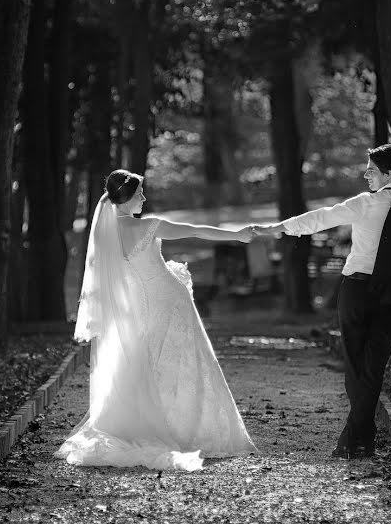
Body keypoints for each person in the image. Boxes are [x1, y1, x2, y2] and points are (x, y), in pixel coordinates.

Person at [56, 169, 258, 472]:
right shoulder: (149, 226)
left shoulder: (104, 235)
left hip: (141, 309)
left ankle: (160, 425)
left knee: (150, 366)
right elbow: (196, 230)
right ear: (126, 198)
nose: (144, 198)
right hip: (170, 304)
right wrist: (237, 235)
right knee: (181, 366)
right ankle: (189, 429)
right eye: (140, 194)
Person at [252, 144, 391, 459]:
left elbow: (322, 218)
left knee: (354, 363)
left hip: (356, 290)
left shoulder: (366, 204)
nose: (366, 174)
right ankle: (361, 439)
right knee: (374, 367)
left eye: (371, 169)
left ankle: (354, 439)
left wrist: (280, 229)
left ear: (388, 173)